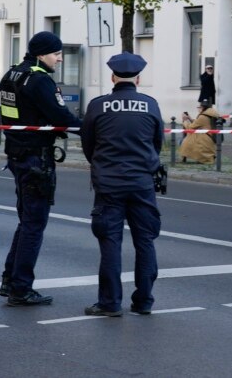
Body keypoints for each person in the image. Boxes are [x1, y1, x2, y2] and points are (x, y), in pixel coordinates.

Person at [0, 31, 82, 307]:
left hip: (17, 155)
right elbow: (62, 118)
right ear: (41, 54)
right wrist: (94, 130)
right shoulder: (39, 81)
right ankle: (21, 288)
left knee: (26, 222)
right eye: (56, 53)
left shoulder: (11, 76)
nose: (59, 58)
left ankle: (10, 280)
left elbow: (11, 116)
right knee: (34, 224)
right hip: (36, 158)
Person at [80, 52, 164, 317]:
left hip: (108, 185)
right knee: (145, 242)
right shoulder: (150, 105)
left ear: (112, 77)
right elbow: (157, 144)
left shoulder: (97, 105)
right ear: (138, 79)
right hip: (142, 184)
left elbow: (88, 145)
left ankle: (109, 303)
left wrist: (102, 164)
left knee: (110, 243)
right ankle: (144, 301)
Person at [179, 98, 220, 164]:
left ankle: (185, 155)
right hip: (210, 137)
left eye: (199, 107)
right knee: (189, 139)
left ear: (202, 107)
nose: (198, 109)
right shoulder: (211, 113)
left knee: (186, 140)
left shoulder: (203, 116)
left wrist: (184, 120)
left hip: (205, 138)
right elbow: (200, 124)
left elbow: (190, 128)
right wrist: (189, 118)